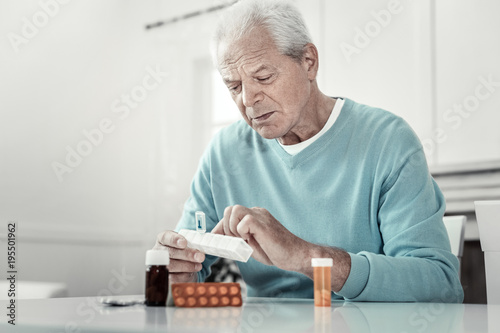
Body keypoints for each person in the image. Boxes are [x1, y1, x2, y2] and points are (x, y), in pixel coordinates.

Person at [155, 0, 464, 302]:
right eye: (234, 86)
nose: (248, 100)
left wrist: (306, 256)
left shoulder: (387, 141)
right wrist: (179, 276)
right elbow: (186, 268)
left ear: (309, 62)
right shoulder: (224, 153)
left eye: (263, 77)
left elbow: (439, 283)